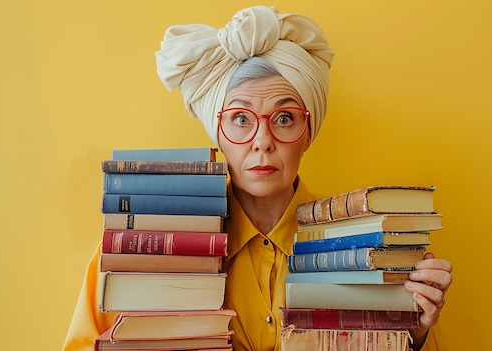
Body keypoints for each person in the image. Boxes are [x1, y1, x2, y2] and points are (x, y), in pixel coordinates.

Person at [62, 5, 453, 351]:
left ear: (308, 132)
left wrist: (412, 334)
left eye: (284, 119)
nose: (262, 142)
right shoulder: (135, 249)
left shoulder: (370, 253)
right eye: (240, 119)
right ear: (218, 136)